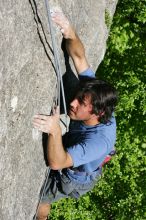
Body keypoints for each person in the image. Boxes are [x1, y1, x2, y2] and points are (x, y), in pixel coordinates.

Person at [33, 10, 118, 220]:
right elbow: (79, 57)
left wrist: (54, 131)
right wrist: (68, 29)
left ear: (97, 112)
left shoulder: (97, 142)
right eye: (78, 96)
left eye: (81, 103)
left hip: (76, 176)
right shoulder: (95, 95)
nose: (72, 102)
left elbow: (57, 163)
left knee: (41, 199)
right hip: (77, 148)